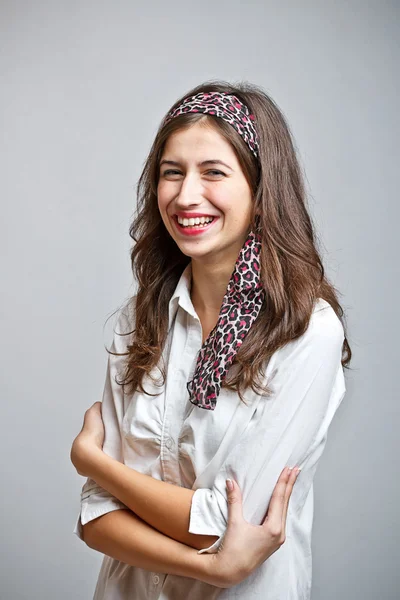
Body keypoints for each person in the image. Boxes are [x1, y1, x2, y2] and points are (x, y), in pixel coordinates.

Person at [70, 80, 352, 599]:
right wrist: (212, 567)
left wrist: (97, 465)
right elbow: (95, 517)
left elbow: (222, 525)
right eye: (171, 173)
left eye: (213, 173)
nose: (185, 195)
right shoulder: (140, 320)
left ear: (262, 193)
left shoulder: (307, 331)